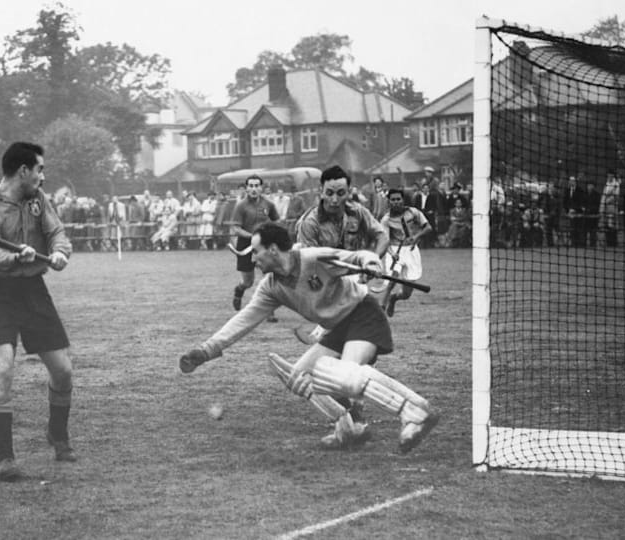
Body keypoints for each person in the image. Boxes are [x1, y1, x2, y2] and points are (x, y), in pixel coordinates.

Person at [179, 222, 439, 454]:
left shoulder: (313, 259)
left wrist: (370, 262)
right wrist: (206, 351)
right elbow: (242, 321)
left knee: (344, 375)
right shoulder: (271, 287)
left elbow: (356, 256)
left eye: (256, 252)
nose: (253, 259)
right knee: (300, 377)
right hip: (336, 328)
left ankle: (416, 412)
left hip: (363, 314)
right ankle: (349, 428)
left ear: (272, 250)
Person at [0, 142, 74, 481]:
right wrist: (17, 256)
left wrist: (58, 253)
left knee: (63, 372)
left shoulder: (37, 200)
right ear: (23, 171)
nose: (43, 176)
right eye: (40, 169)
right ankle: (4, 459)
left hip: (31, 289)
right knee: (2, 370)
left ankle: (57, 434)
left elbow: (56, 232)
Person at [293, 165, 389, 343]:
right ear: (321, 192)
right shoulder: (310, 223)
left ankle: (324, 343)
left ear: (348, 192)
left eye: (340, 193)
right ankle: (320, 339)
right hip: (324, 280)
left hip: (356, 279)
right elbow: (309, 264)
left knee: (356, 326)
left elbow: (382, 236)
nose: (335, 199)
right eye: (329, 193)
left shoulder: (358, 212)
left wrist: (373, 262)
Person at [229, 175, 280, 321]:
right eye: (250, 186)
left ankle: (269, 312)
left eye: (257, 185)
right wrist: (252, 237)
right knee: (248, 282)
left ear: (261, 188)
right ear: (246, 188)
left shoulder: (268, 204)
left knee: (268, 277)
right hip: (245, 245)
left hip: (263, 245)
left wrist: (273, 233)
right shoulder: (241, 206)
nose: (253, 189)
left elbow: (277, 221)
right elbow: (236, 228)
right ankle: (239, 290)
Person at [381, 188, 432, 317]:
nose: (396, 202)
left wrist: (416, 237)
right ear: (389, 202)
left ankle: (394, 298)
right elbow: (384, 241)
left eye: (398, 199)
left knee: (406, 294)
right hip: (395, 251)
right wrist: (392, 254)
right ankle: (381, 308)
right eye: (393, 200)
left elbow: (428, 227)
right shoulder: (386, 219)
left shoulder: (413, 212)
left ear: (403, 200)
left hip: (411, 251)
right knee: (392, 278)